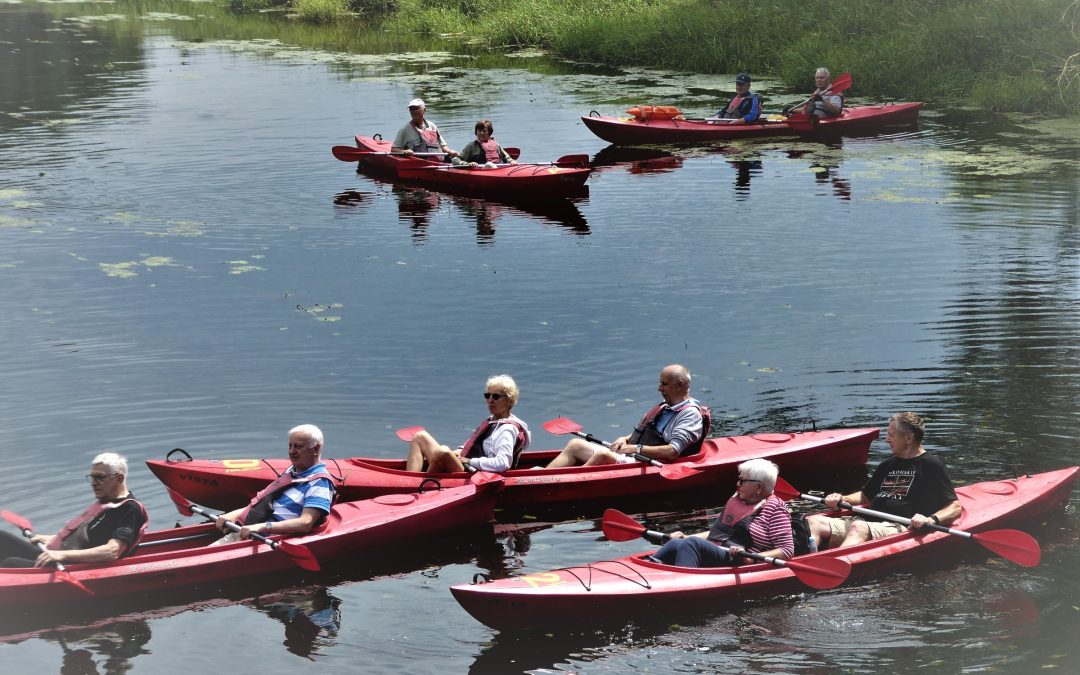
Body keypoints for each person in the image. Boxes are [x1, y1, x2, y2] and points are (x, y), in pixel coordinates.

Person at [807, 412, 963, 550]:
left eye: (891, 435)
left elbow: (954, 507)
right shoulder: (888, 464)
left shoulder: (931, 465)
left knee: (858, 527)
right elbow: (866, 496)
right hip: (867, 522)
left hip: (898, 527)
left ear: (908, 438)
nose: (887, 440)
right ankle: (794, 564)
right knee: (814, 522)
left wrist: (930, 519)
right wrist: (842, 498)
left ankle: (832, 567)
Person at [545, 364, 710, 468]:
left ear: (680, 385)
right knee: (575, 444)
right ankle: (542, 477)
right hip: (633, 455)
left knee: (603, 455)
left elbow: (672, 452)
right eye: (660, 383)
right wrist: (624, 438)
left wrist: (634, 448)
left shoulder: (689, 415)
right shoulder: (666, 407)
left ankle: (566, 485)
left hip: (648, 463)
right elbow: (648, 433)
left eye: (664, 384)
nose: (659, 389)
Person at [0, 453, 147, 568]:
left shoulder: (129, 509)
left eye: (100, 478)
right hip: (60, 556)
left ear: (119, 478)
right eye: (92, 477)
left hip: (75, 565)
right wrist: (52, 538)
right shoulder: (106, 502)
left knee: (11, 563)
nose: (94, 483)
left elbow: (113, 551)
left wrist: (62, 556)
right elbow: (89, 535)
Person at [648, 459, 794, 567]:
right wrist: (687, 536)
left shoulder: (776, 509)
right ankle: (650, 567)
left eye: (742, 481)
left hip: (739, 559)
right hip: (719, 551)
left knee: (691, 544)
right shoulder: (740, 501)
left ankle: (681, 582)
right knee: (677, 542)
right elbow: (719, 532)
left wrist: (751, 556)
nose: (737, 484)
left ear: (758, 487)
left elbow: (786, 551)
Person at [211, 424, 336, 545]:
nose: (292, 451)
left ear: (316, 449)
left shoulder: (320, 483)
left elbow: (305, 523)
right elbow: (263, 501)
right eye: (290, 446)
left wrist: (262, 526)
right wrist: (235, 514)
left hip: (267, 536)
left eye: (298, 446)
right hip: (255, 529)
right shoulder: (292, 470)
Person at [404, 375, 531, 473]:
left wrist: (469, 461)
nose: (490, 400)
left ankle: (420, 486)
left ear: (509, 401)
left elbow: (503, 463)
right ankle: (410, 480)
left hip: (475, 474)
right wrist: (459, 451)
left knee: (442, 451)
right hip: (465, 464)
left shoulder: (507, 429)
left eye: (496, 397)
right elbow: (474, 444)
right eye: (487, 396)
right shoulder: (492, 420)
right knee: (420, 436)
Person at [391, 98, 458, 159]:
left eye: (416, 108)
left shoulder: (432, 126)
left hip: (440, 163)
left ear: (424, 110)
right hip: (419, 163)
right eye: (411, 109)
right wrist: (404, 151)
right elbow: (394, 149)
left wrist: (449, 151)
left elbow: (442, 146)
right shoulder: (404, 130)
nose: (414, 111)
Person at [452, 119, 518, 168]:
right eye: (479, 131)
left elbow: (507, 157)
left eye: (484, 131)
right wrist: (468, 164)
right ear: (476, 132)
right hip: (482, 170)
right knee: (489, 164)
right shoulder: (471, 146)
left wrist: (511, 161)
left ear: (489, 132)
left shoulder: (496, 144)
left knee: (491, 165)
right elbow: (455, 160)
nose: (481, 133)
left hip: (499, 170)